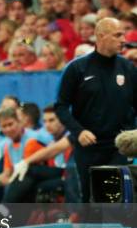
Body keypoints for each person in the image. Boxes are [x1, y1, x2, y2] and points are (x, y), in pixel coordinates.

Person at [54, 18, 137, 203]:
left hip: (120, 146)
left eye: (123, 34)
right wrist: (79, 131)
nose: (123, 39)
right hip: (89, 146)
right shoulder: (77, 68)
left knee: (114, 197)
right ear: (100, 36)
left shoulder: (128, 68)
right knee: (90, 199)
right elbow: (60, 106)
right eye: (117, 35)